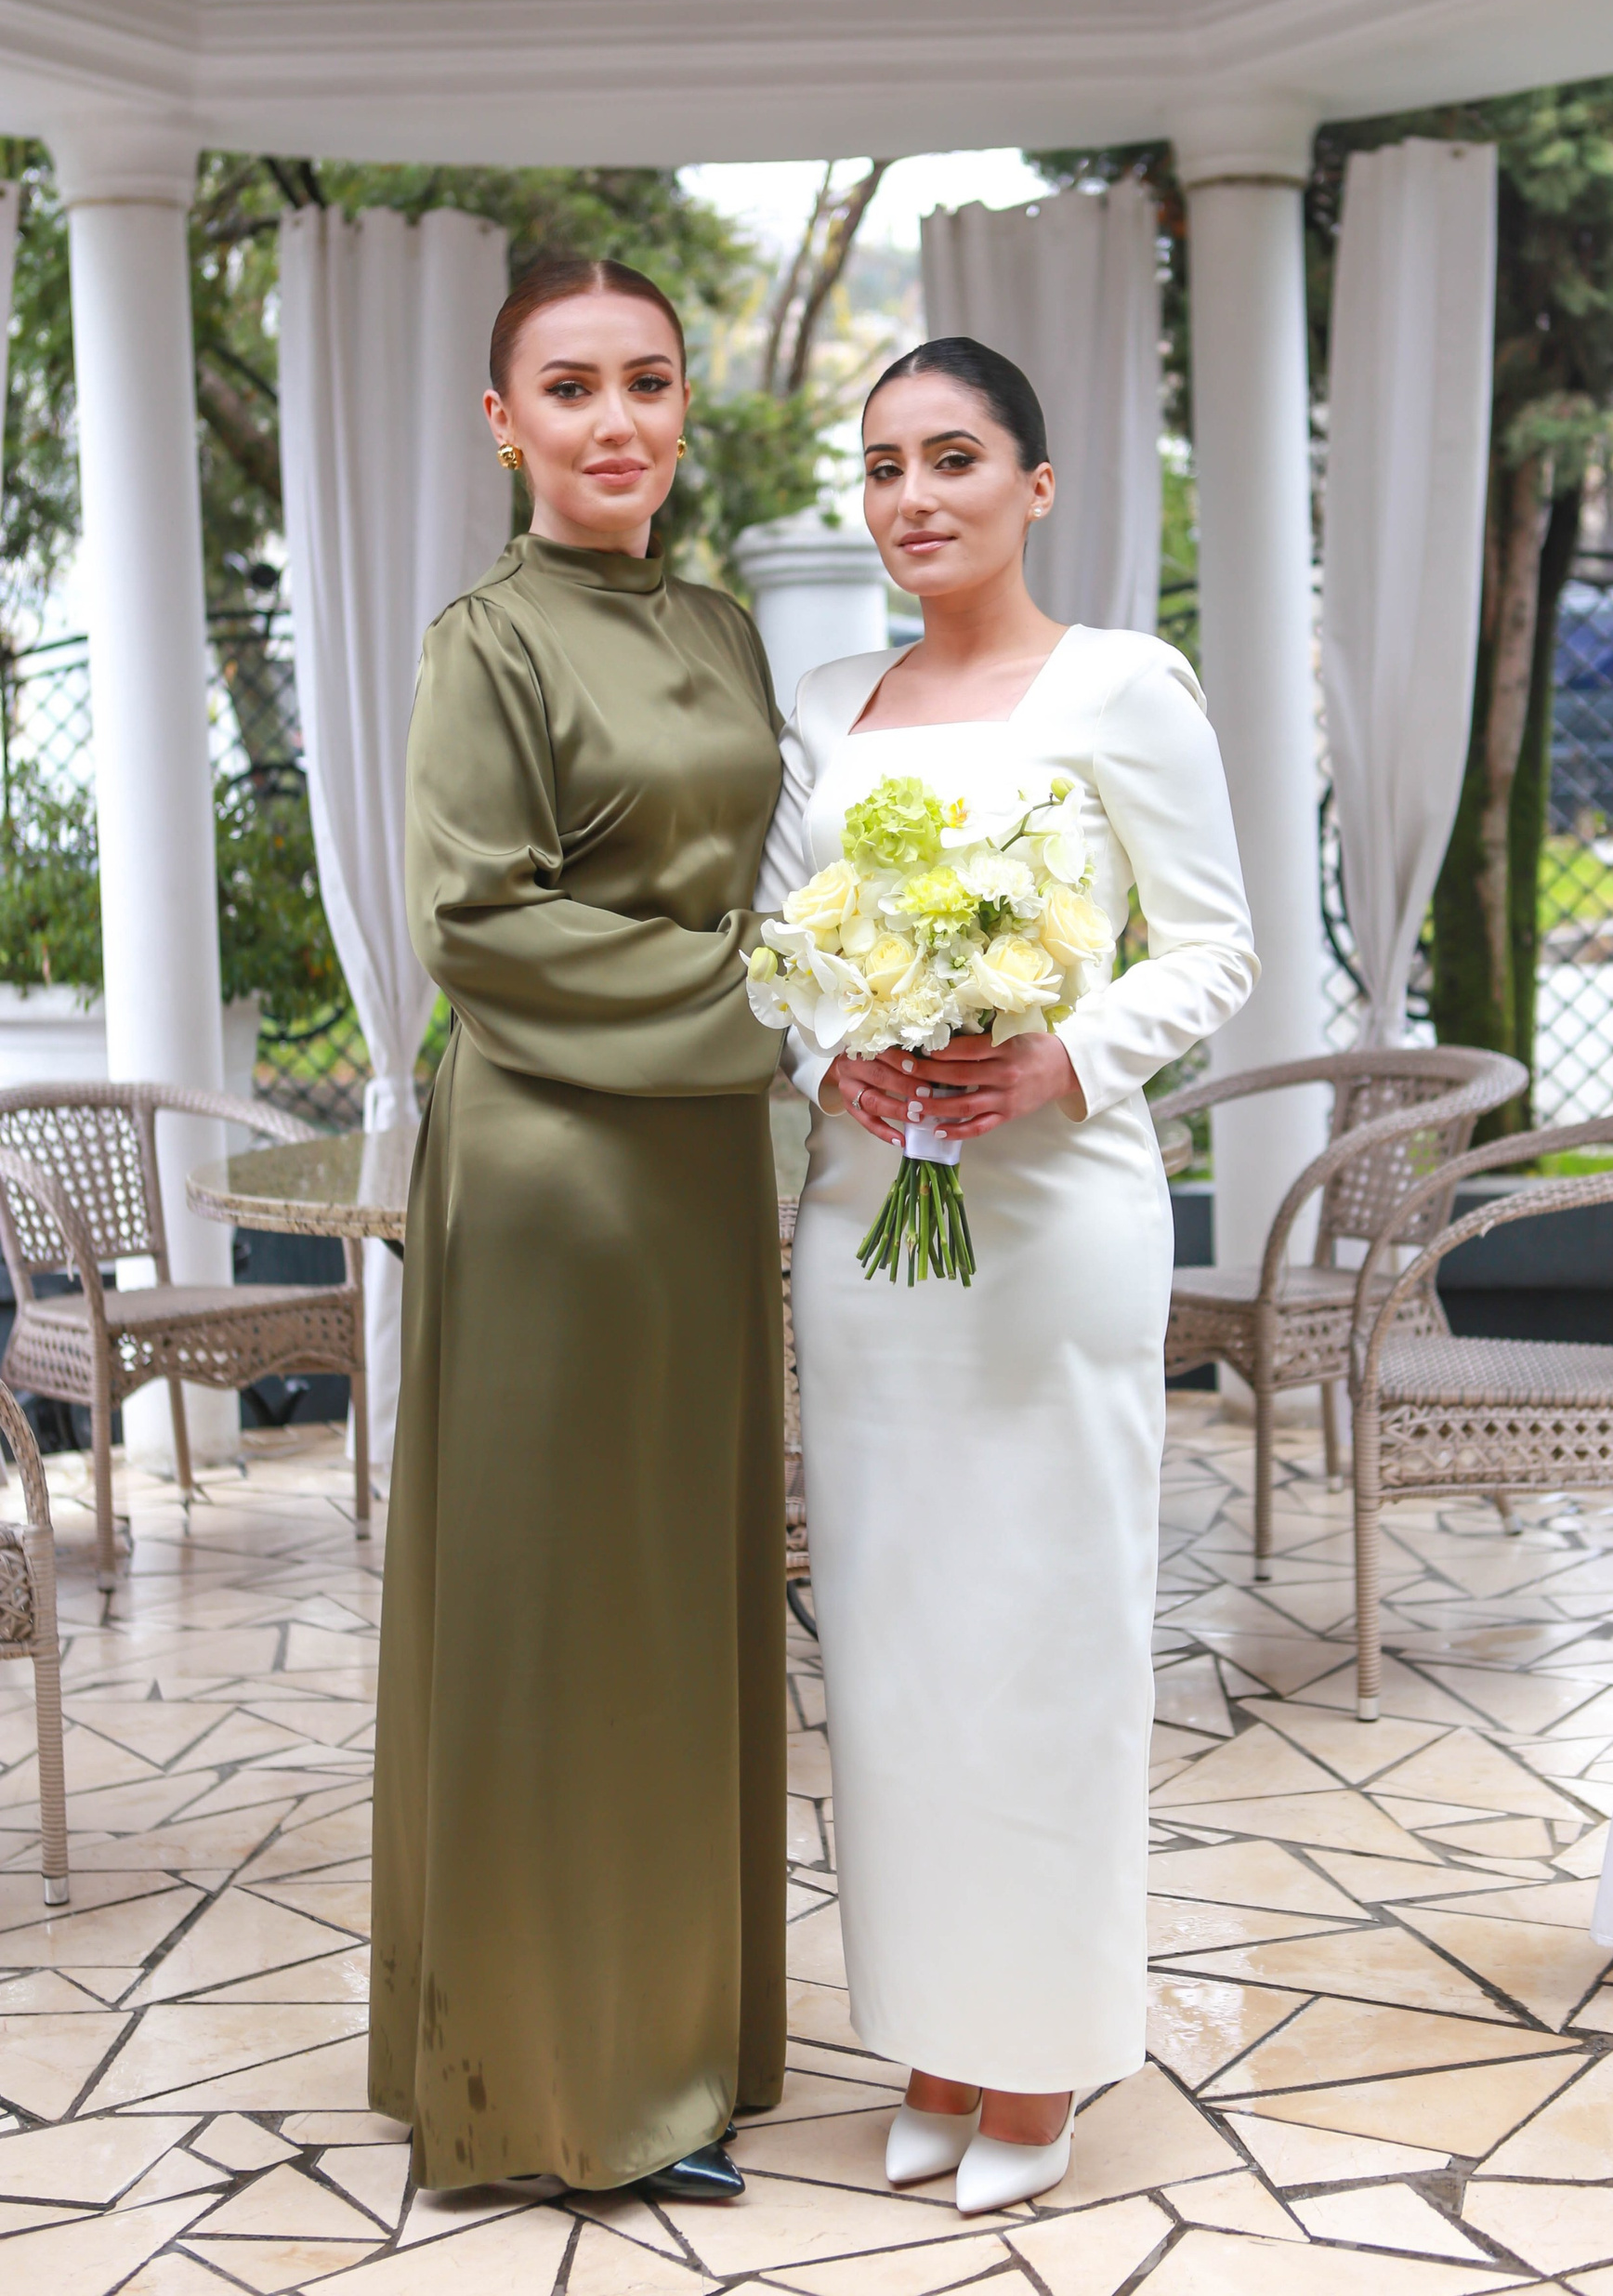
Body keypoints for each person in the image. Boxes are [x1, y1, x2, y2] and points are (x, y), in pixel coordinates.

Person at [758, 336, 1258, 2215]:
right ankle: (934, 2037)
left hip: (1057, 1226)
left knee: (1045, 1632)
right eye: (884, 465)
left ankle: (1043, 2050)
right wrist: (836, 1055)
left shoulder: (1124, 685)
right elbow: (777, 949)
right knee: (891, 1645)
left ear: (1037, 485)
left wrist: (1065, 1052)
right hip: (865, 1228)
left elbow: (1215, 947)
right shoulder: (826, 704)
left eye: (954, 458)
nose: (915, 498)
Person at [370, 256, 788, 2200]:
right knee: (562, 1615)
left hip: (700, 1164)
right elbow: (478, 923)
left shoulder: (720, 626)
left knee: (684, 1595)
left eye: (648, 380)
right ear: (503, 423)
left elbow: (761, 876)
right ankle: (555, 2086)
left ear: (683, 403)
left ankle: (680, 2044)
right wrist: (767, 1004)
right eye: (569, 388)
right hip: (554, 1165)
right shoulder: (486, 642)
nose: (616, 421)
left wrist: (830, 981)